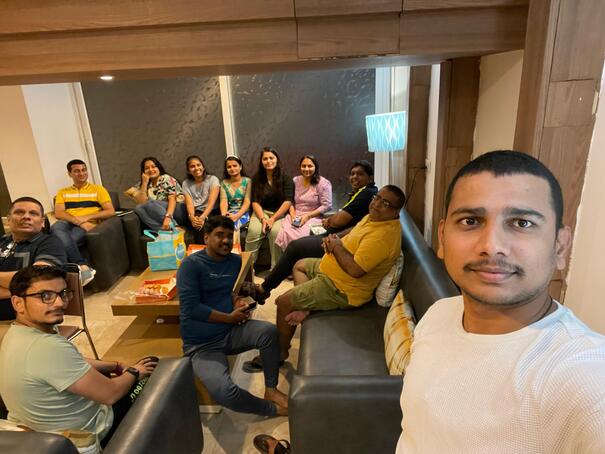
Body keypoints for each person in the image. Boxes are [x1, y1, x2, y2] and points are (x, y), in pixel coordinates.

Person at [396, 150, 605, 453]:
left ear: (560, 246)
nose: (492, 246)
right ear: (442, 237)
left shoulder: (582, 373)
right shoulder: (439, 314)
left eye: (522, 223)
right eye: (470, 221)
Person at [245, 185, 404, 370]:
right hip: (331, 271)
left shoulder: (383, 237)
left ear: (396, 211)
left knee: (283, 302)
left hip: (342, 289)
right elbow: (355, 229)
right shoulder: (375, 218)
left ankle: (280, 353)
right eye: (377, 198)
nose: (376, 204)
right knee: (300, 265)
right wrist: (335, 237)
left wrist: (336, 246)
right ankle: (307, 307)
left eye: (385, 203)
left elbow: (355, 270)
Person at [0, 265, 157, 446]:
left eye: (62, 294)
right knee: (152, 365)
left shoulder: (16, 334)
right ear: (18, 303)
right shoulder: (47, 347)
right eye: (45, 296)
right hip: (85, 434)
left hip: (41, 432)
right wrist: (135, 372)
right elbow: (110, 394)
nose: (59, 303)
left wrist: (114, 365)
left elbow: (69, 364)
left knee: (115, 374)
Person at [177, 215, 288, 416]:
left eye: (229, 236)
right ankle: (271, 409)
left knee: (269, 332)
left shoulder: (235, 261)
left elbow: (228, 291)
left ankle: (271, 390)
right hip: (202, 345)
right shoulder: (190, 265)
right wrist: (229, 318)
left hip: (230, 332)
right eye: (219, 235)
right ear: (206, 237)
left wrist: (237, 299)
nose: (226, 240)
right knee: (224, 392)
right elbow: (191, 308)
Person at [251, 160, 377, 302]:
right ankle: (279, 284)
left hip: (338, 240)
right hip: (329, 231)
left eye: (360, 174)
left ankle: (264, 289)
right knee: (295, 236)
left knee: (296, 246)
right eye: (352, 174)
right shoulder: (360, 192)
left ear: (370, 177)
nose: (354, 177)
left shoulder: (367, 193)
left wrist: (329, 221)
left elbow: (339, 219)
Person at [0, 197, 66, 320]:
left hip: (22, 320)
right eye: (19, 212)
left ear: (42, 222)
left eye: (33, 213)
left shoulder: (50, 243)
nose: (26, 217)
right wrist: (20, 290)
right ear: (8, 219)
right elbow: (31, 285)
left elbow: (39, 280)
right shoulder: (2, 241)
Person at [52, 159, 114, 284]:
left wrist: (87, 218)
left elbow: (110, 211)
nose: (81, 173)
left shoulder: (98, 189)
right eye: (76, 171)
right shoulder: (63, 192)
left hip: (88, 223)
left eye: (84, 170)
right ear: (70, 174)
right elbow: (59, 213)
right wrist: (79, 221)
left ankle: (62, 277)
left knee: (64, 242)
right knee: (56, 227)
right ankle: (83, 266)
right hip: (69, 222)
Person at [245, 147, 293, 269]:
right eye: (265, 159)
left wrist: (273, 219)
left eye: (271, 158)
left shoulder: (286, 178)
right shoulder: (256, 178)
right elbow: (255, 202)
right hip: (261, 212)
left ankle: (275, 269)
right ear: (261, 161)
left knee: (276, 233)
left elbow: (288, 201)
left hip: (279, 213)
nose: (268, 161)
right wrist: (263, 219)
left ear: (277, 159)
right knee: (254, 231)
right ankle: (247, 268)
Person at [275, 155, 332, 250]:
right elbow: (290, 200)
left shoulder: (323, 183)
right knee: (281, 233)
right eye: (303, 166)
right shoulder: (295, 180)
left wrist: (308, 216)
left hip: (313, 216)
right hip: (295, 214)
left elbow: (327, 205)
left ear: (315, 167)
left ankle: (297, 258)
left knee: (301, 237)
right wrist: (292, 215)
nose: (306, 169)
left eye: (310, 166)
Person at [130, 157, 187, 231]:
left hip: (178, 210)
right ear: (143, 172)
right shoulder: (145, 184)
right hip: (161, 214)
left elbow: (172, 200)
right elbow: (142, 202)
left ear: (159, 168)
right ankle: (164, 230)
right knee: (138, 208)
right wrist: (144, 183)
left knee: (150, 202)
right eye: (147, 168)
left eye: (153, 167)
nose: (151, 170)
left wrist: (168, 217)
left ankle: (174, 226)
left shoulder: (166, 178)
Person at [182, 155, 220, 243]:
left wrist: (202, 218)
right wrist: (192, 218)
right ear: (188, 170)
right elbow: (189, 204)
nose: (196, 168)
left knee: (203, 225)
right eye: (192, 166)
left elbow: (211, 202)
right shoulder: (186, 183)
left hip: (212, 211)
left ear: (203, 167)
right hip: (197, 211)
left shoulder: (213, 179)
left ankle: (209, 250)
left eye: (198, 165)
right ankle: (200, 250)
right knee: (197, 225)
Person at [219, 155, 252, 230]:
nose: (232, 169)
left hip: (244, 213)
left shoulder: (248, 181)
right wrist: (224, 217)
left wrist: (237, 216)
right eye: (229, 167)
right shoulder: (223, 183)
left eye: (235, 166)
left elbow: (247, 202)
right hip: (229, 213)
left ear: (240, 167)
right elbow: (223, 202)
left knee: (234, 226)